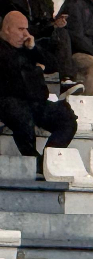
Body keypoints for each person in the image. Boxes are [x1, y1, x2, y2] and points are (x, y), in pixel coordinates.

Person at [0, 10, 77, 178]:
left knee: (67, 118)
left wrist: (33, 49)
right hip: (9, 101)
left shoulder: (28, 47)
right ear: (7, 29)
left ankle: (45, 162)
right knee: (22, 117)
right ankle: (33, 161)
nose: (26, 34)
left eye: (27, 29)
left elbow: (52, 64)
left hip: (37, 101)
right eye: (20, 29)